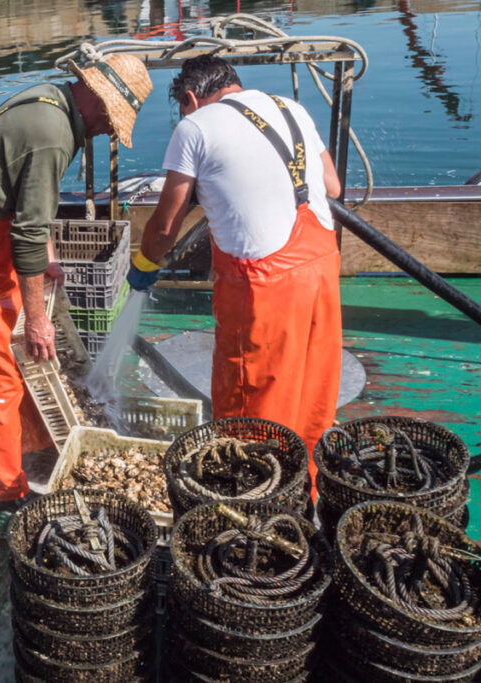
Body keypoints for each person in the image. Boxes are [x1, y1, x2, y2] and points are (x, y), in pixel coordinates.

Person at [0, 54, 153, 503]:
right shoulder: (54, 134)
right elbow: (28, 231)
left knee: (16, 363)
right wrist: (37, 320)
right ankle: (3, 490)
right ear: (94, 99)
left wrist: (48, 260)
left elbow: (30, 206)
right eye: (110, 119)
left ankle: (34, 447)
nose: (108, 130)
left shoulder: (51, 101)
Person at [129, 55, 343, 475]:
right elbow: (332, 185)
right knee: (312, 395)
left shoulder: (194, 127)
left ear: (191, 98)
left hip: (263, 286)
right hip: (321, 267)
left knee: (251, 407)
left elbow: (166, 225)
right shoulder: (290, 107)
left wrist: (144, 264)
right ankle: (308, 491)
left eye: (184, 108)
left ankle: (255, 501)